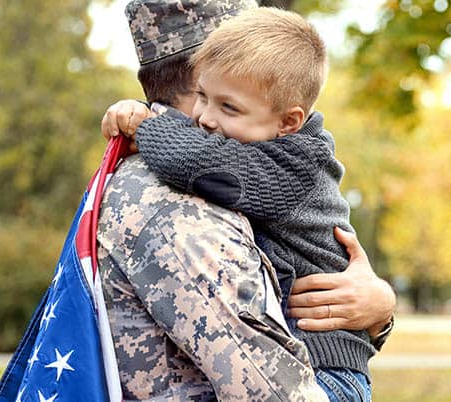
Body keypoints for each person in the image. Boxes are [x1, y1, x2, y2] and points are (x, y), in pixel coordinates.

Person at [97, 1, 395, 400]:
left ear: (288, 120)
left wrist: (147, 124)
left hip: (328, 371)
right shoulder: (175, 200)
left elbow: (200, 160)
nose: (206, 118)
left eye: (228, 106)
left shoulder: (285, 162)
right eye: (203, 96)